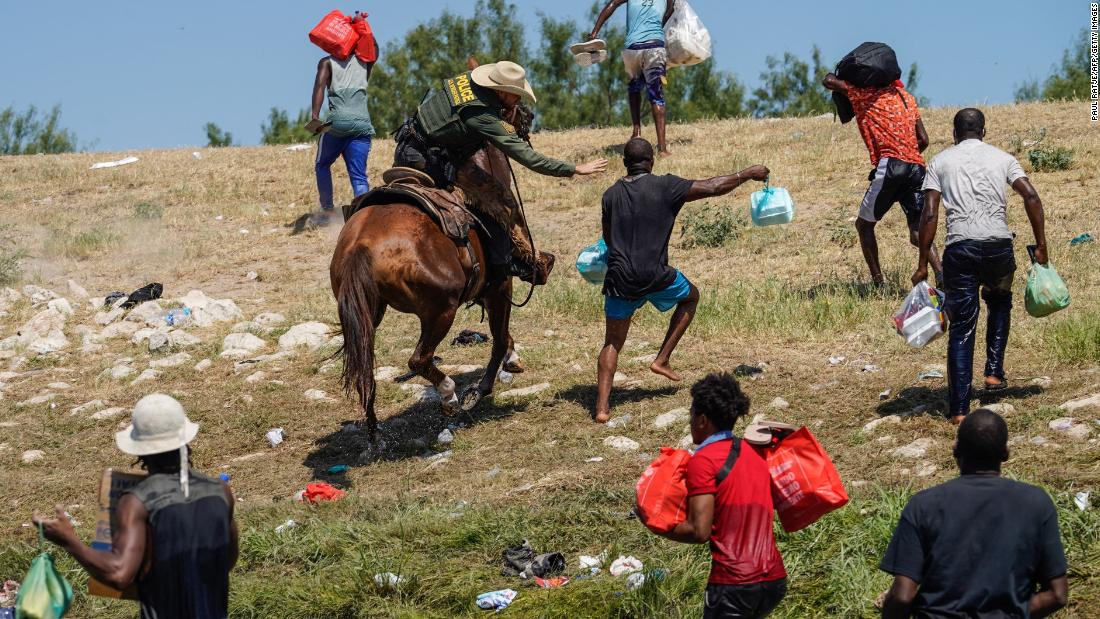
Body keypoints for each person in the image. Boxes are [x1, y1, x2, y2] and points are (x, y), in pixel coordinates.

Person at [595, 137, 768, 422]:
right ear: (651, 161)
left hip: (619, 277)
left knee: (612, 341)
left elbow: (607, 238)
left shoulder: (610, 194)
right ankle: (662, 358)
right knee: (691, 297)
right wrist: (746, 174)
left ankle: (602, 409)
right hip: (655, 274)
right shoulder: (665, 185)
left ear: (624, 163)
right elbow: (713, 186)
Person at [393, 60, 608, 283]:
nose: (519, 99)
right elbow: (528, 157)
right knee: (501, 201)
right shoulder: (483, 116)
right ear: (499, 91)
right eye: (515, 94)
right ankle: (506, 263)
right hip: (429, 160)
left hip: (408, 143)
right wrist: (574, 168)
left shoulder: (469, 78)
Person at [33, 394, 239, 619]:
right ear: (185, 442)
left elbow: (119, 573)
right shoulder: (221, 491)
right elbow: (227, 560)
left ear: (140, 451)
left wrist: (70, 542)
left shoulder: (137, 501)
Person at [911, 108, 1049, 424]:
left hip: (960, 248)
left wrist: (923, 263)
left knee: (962, 325)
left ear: (955, 133)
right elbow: (1031, 196)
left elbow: (929, 213)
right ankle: (994, 372)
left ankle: (959, 410)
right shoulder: (1003, 158)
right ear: (983, 132)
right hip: (998, 245)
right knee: (999, 300)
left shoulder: (940, 162)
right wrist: (1041, 245)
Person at [880, 409, 1068, 618]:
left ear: (955, 450)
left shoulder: (923, 505)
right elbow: (1057, 594)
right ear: (1005, 453)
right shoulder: (1037, 503)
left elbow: (902, 596)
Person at [644, 373, 787, 618]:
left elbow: (700, 531)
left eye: (691, 415)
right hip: (774, 580)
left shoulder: (704, 460)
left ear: (701, 420)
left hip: (734, 583)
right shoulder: (753, 454)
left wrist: (656, 525)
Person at [822, 71, 942, 286]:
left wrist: (839, 71)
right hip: (916, 167)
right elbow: (923, 139)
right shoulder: (907, 97)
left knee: (864, 225)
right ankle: (940, 272)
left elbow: (829, 82)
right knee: (917, 230)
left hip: (891, 167)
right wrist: (907, 155)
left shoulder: (867, 94)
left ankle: (878, 283)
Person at [590, 0, 676, 156]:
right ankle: (662, 148)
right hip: (655, 45)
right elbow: (670, 11)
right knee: (656, 96)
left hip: (632, 47)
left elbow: (613, 4)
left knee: (634, 88)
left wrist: (595, 31)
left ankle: (636, 131)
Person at [308, 36, 379, 226]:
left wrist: (315, 117)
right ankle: (364, 216)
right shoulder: (366, 62)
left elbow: (319, 86)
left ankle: (328, 211)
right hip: (363, 123)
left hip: (338, 123)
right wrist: (363, 29)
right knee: (358, 175)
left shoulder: (326, 62)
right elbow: (374, 48)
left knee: (322, 164)